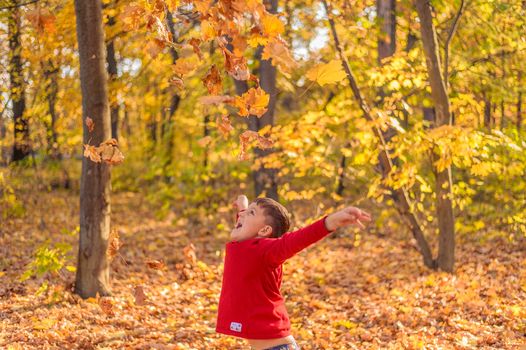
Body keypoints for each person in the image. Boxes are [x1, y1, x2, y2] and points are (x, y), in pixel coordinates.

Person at [215, 194, 372, 350]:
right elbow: (244, 227)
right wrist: (244, 205)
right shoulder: (246, 244)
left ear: (264, 230)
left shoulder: (267, 250)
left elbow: (298, 239)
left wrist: (331, 221)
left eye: (251, 213)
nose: (241, 215)